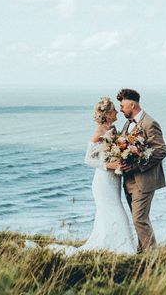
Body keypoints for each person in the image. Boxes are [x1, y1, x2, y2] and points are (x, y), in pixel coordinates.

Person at [48, 97, 136, 255]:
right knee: (115, 212)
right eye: (114, 110)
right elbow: (88, 159)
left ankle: (112, 246)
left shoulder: (113, 129)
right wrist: (109, 165)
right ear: (108, 114)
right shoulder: (99, 133)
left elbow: (112, 151)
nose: (117, 112)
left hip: (114, 179)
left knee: (110, 213)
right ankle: (122, 249)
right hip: (104, 182)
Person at [117, 88, 166, 252]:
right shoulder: (127, 124)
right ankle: (141, 252)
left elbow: (160, 151)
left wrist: (136, 165)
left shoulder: (149, 123)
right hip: (128, 180)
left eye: (122, 105)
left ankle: (152, 256)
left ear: (132, 104)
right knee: (138, 218)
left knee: (139, 219)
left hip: (143, 180)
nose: (120, 109)